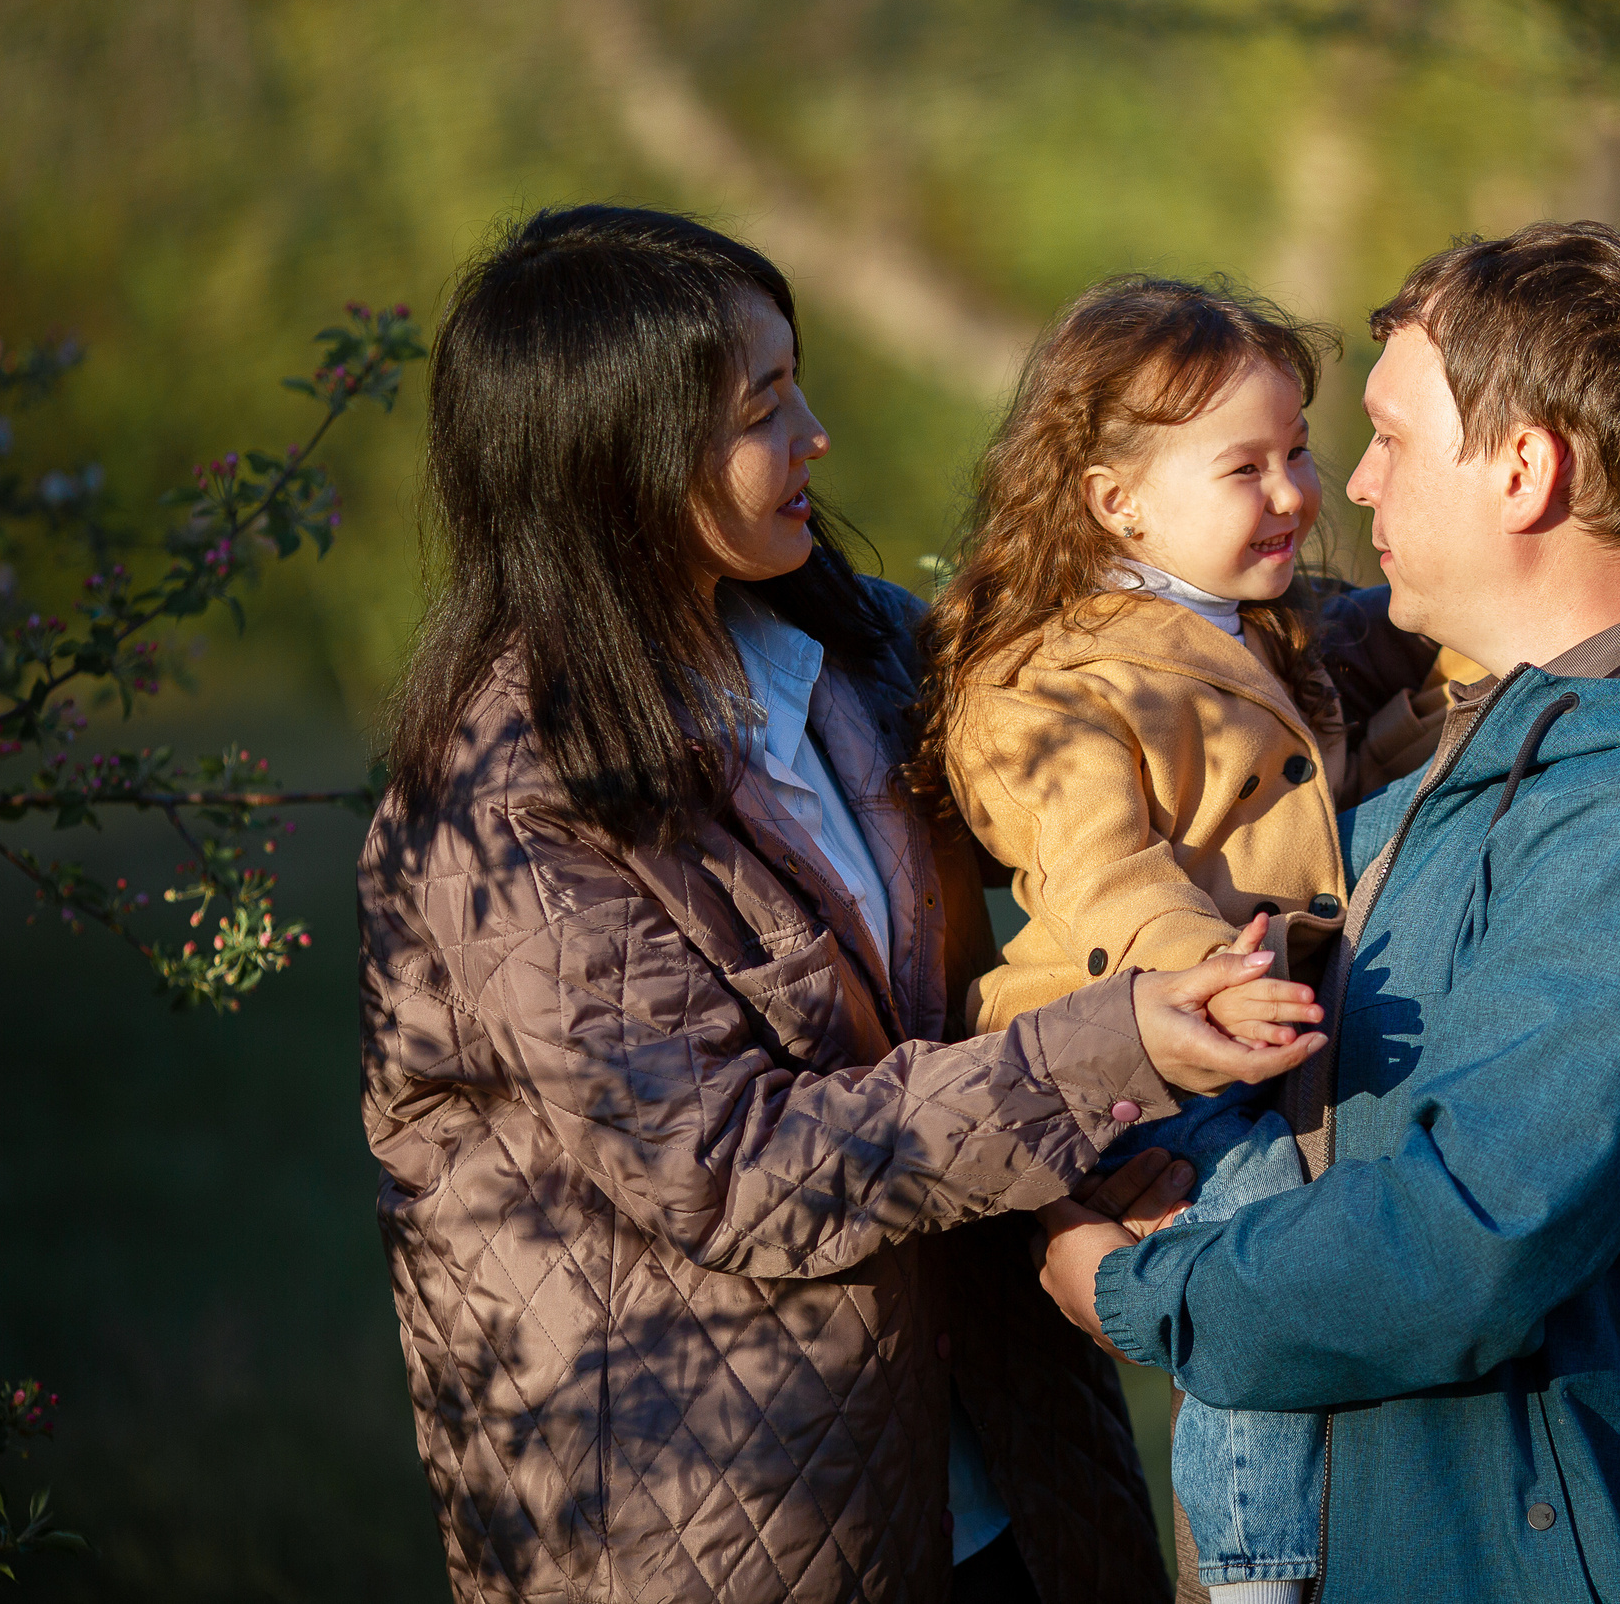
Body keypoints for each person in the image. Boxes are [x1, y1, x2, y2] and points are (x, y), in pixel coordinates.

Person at [358, 206, 1322, 1604]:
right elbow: (729, 1162)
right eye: (764, 409)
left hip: (1000, 1456)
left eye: (796, 383)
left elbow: (1116, 716)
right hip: (714, 1516)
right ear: (621, 460)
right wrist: (1101, 1058)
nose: (815, 435)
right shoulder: (511, 801)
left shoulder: (857, 646)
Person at [1038, 222, 1620, 1604]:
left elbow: (1470, 1236)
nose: (1351, 485)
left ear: (1526, 470)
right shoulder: (1482, 727)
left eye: (1388, 439)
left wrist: (1138, 1293)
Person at [916, 277, 1448, 1604]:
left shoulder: (1246, 618)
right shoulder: (1047, 680)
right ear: (1118, 503)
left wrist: (1434, 709)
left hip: (1241, 1024)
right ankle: (1256, 1564)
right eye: (1245, 469)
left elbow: (1311, 787)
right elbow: (1107, 875)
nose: (1294, 493)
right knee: (1253, 1228)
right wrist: (1202, 977)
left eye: (1299, 453)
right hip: (1135, 1049)